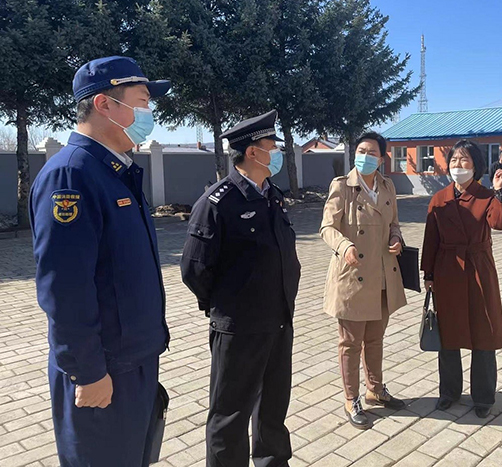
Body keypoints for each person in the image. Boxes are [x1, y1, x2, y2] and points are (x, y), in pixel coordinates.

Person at [29, 56, 171, 466]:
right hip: (103, 372)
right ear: (105, 104)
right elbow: (65, 289)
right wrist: (87, 372)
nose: (149, 113)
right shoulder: (72, 176)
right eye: (142, 102)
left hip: (133, 363)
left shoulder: (115, 172)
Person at [181, 110, 301, 466]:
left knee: (273, 408)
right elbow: (194, 269)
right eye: (272, 146)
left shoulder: (272, 195)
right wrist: (226, 305)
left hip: (278, 321)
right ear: (252, 152)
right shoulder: (217, 203)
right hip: (239, 327)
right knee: (230, 415)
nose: (277, 152)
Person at [320, 131, 407, 430]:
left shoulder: (387, 186)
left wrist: (396, 238)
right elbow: (327, 227)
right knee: (350, 343)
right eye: (361, 151)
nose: (365, 156)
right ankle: (351, 398)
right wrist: (344, 246)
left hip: (382, 276)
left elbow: (394, 223)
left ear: (381, 159)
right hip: (352, 275)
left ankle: (375, 389)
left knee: (375, 339)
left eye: (371, 152)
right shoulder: (342, 186)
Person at [421, 140, 502, 417]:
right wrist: (428, 273)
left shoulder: (486, 195)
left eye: (464, 160)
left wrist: (499, 191)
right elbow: (431, 239)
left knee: (483, 332)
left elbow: (500, 223)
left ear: (476, 165)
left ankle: (483, 397)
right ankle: (449, 392)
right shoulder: (440, 198)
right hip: (447, 270)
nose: (458, 165)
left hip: (478, 269)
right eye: (454, 160)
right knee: (448, 334)